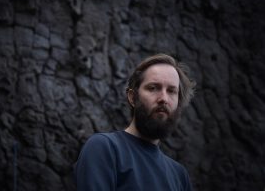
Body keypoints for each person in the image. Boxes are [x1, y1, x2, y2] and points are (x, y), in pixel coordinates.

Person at [75, 53, 196, 191]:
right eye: (153, 88)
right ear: (132, 98)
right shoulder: (105, 148)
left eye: (171, 91)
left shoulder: (179, 176)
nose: (164, 98)